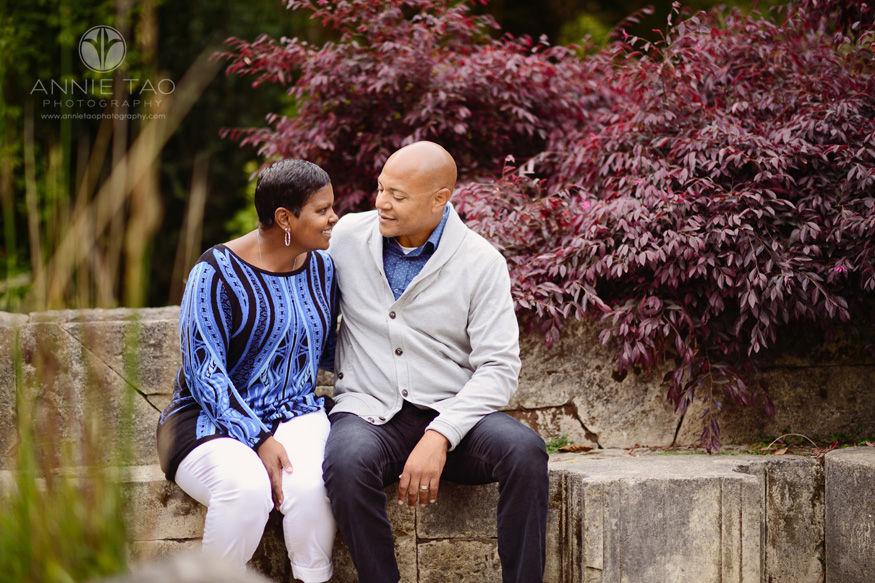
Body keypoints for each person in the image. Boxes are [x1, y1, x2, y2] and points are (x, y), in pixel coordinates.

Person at [324, 141, 549, 583]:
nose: (381, 203)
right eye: (381, 188)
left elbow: (499, 368)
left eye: (397, 196)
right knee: (345, 464)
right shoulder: (348, 236)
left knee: (525, 452)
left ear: (439, 199)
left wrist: (440, 434)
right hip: (369, 411)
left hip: (455, 414)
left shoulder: (481, 262)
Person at [157, 159, 339, 583]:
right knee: (246, 489)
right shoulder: (214, 272)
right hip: (208, 419)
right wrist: (258, 438)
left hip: (296, 411)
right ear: (285, 218)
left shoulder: (323, 268)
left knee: (311, 489)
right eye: (323, 210)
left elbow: (330, 351)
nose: (334, 218)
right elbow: (204, 372)